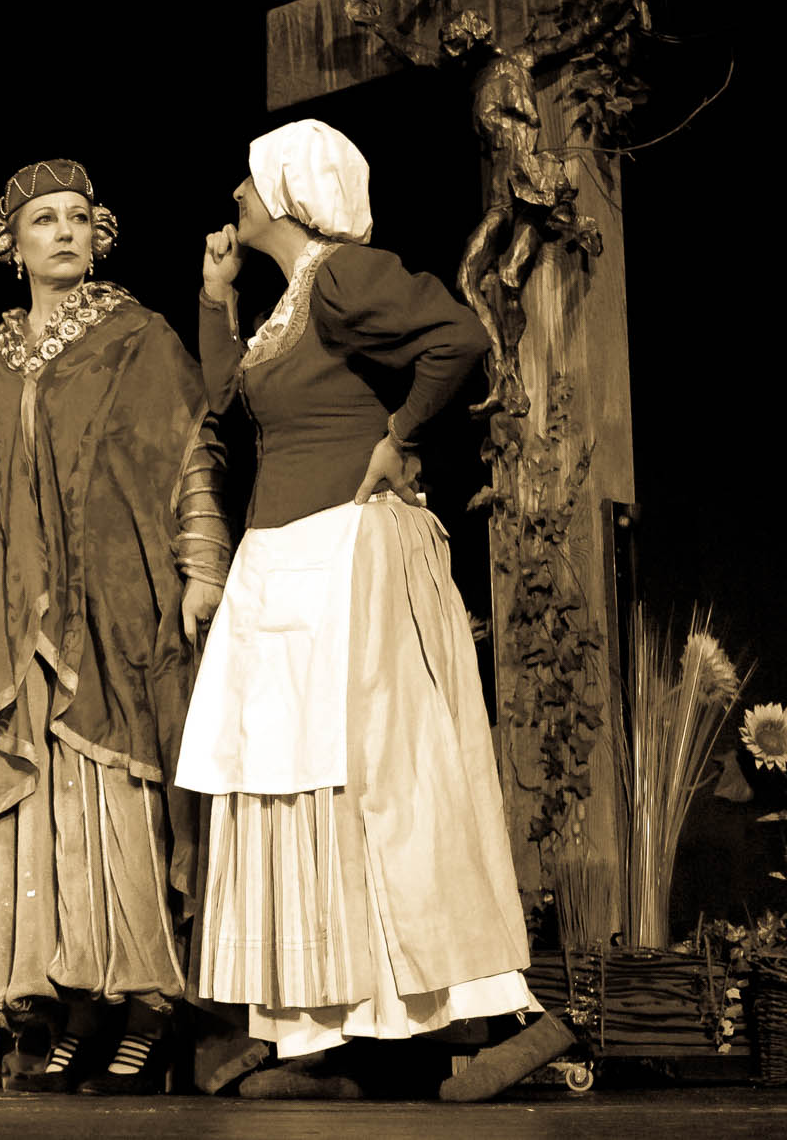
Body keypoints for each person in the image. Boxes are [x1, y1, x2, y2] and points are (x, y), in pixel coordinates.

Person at [177, 119, 574, 1100]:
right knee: (300, 799)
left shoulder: (342, 277)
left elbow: (458, 336)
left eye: (248, 180)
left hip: (346, 554)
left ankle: (510, 1016)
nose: (236, 195)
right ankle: (333, 1039)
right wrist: (216, 298)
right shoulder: (285, 302)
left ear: (285, 189)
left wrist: (399, 433)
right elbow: (223, 398)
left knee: (390, 790)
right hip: (286, 564)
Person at [0, 159, 233, 1095]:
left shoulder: (140, 337)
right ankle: (78, 1006)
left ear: (100, 236)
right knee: (46, 814)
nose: (64, 231)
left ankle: (149, 1006)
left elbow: (192, 453)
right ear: (9, 244)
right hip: (24, 627)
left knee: (123, 803)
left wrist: (204, 566)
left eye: (79, 217)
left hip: (122, 610)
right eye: (43, 219)